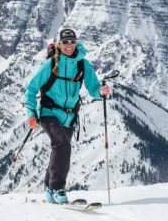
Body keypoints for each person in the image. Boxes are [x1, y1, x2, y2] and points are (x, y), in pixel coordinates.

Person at [25, 28, 110, 204]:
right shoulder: (51, 65)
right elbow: (31, 89)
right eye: (65, 42)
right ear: (59, 44)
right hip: (48, 113)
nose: (69, 45)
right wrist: (31, 114)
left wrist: (100, 91)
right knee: (62, 145)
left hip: (69, 117)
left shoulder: (82, 65)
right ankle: (57, 188)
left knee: (59, 149)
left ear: (76, 42)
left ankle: (49, 189)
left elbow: (93, 87)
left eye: (72, 41)